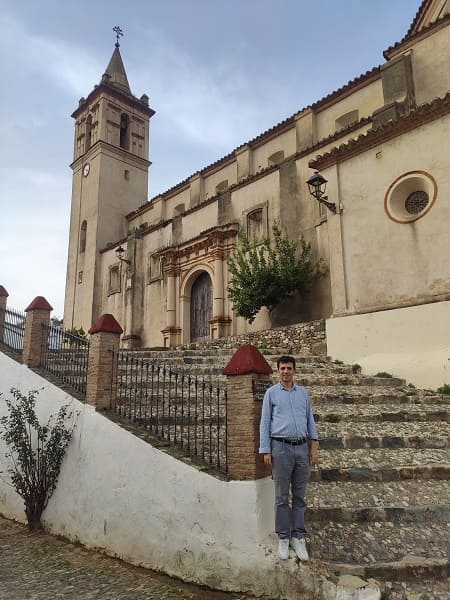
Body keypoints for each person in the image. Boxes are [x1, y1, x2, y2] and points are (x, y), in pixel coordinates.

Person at [259, 355, 319, 561]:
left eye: (289, 368)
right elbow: (264, 422)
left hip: (302, 448)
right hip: (280, 448)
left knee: (300, 496)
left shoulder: (303, 393)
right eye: (283, 368)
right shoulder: (271, 394)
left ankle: (298, 537)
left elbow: (310, 418)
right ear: (278, 371)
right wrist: (266, 450)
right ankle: (284, 537)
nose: (286, 371)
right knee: (282, 496)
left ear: (294, 370)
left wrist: (314, 446)